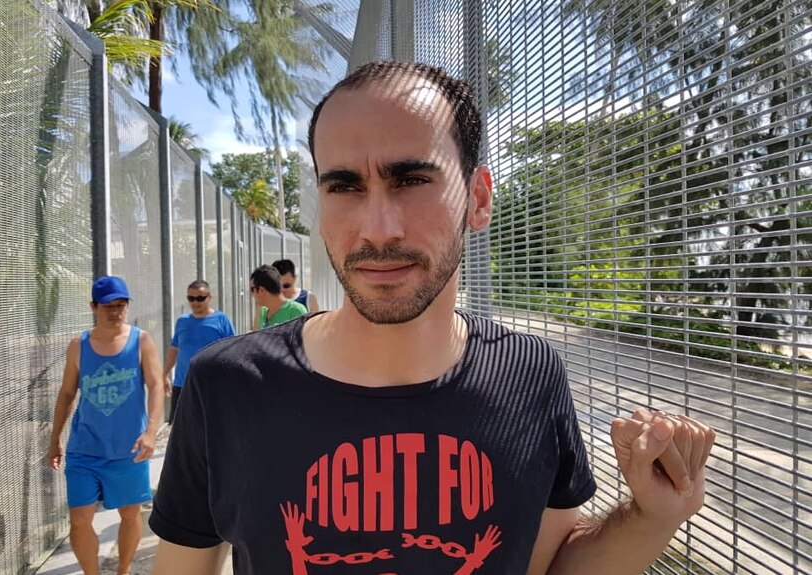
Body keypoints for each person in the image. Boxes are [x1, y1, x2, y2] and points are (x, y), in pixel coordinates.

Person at [149, 62, 715, 574]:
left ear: (478, 198)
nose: (378, 228)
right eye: (344, 186)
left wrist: (651, 517)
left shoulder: (528, 373)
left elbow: (549, 567)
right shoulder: (227, 383)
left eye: (412, 180)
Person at [48, 275, 164, 575]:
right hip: (84, 449)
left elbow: (154, 386)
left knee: (129, 514)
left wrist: (151, 431)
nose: (115, 312)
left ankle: (123, 569)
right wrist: (55, 438)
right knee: (80, 519)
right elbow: (67, 393)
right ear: (93, 307)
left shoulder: (141, 341)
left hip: (129, 448)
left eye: (121, 305)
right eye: (108, 306)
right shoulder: (79, 345)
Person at [163, 280, 235, 424]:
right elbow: (174, 348)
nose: (195, 302)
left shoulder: (222, 320)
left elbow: (232, 350)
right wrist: (164, 374)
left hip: (211, 385)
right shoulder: (182, 321)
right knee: (181, 430)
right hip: (182, 385)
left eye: (200, 298)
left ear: (209, 297)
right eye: (191, 298)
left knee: (211, 427)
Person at [250, 264, 308, 330]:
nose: (252, 295)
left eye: (252, 289)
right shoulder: (262, 311)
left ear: (261, 290)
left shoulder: (296, 311)